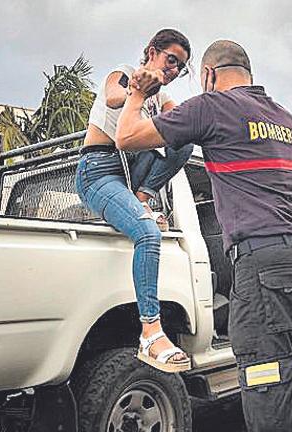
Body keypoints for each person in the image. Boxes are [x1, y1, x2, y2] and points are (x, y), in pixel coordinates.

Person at [115, 40, 292, 432]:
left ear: (208, 74)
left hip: (265, 266)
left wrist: (139, 94)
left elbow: (126, 138)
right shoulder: (281, 117)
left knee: (272, 401)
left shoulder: (212, 106)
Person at [75, 28, 194, 373]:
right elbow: (113, 97)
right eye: (170, 60)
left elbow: (181, 123)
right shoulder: (125, 72)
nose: (172, 70)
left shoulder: (160, 97)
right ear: (152, 52)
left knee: (181, 142)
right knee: (147, 233)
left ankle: (142, 198)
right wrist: (137, 87)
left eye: (180, 67)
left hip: (131, 169)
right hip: (99, 170)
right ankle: (150, 331)